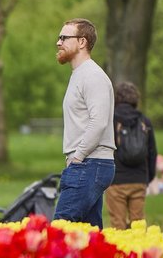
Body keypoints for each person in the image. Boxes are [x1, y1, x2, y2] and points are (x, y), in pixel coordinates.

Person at [51, 18, 115, 229]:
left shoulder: (92, 76)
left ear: (82, 42)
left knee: (60, 229)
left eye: (64, 37)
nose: (58, 42)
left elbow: (99, 121)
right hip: (88, 163)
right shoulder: (79, 75)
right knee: (89, 236)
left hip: (90, 163)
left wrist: (78, 156)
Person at [105, 82, 157, 229]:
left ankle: (121, 251)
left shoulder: (111, 120)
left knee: (118, 224)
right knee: (138, 225)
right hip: (139, 179)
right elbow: (152, 152)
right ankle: (140, 251)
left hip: (116, 180)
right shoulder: (145, 121)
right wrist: (147, 178)